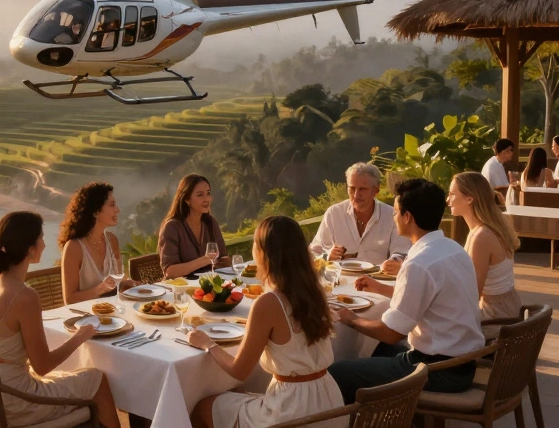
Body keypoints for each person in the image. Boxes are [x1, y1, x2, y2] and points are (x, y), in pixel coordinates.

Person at [328, 178, 485, 403]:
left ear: (407, 217)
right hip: (463, 363)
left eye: (395, 212)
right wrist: (378, 287)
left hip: (438, 370)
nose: (393, 217)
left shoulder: (419, 262)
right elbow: (428, 298)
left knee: (336, 372)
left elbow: (392, 333)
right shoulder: (453, 248)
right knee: (373, 350)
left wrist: (350, 319)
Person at [189, 216, 346, 428]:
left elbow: (239, 371)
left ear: (264, 253)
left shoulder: (269, 302)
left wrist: (207, 343)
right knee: (237, 396)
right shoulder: (314, 290)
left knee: (203, 407)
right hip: (329, 402)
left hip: (292, 412)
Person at [0, 211, 120, 428]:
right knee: (96, 379)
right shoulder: (24, 296)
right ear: (30, 249)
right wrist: (80, 336)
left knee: (77, 377)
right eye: (41, 238)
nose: (44, 243)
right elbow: (42, 366)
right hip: (14, 401)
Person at [308, 163, 411, 274]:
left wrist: (394, 261)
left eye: (362, 189)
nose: (356, 195)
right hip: (339, 282)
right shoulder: (334, 214)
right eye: (352, 188)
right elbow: (313, 252)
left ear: (376, 190)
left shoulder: (391, 215)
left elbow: (401, 252)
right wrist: (327, 255)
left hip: (377, 282)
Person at [446, 171, 522, 320]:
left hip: (495, 315)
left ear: (469, 199)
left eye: (452, 194)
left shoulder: (481, 237)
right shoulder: (489, 227)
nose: (447, 199)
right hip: (506, 307)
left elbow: (472, 293)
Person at [59, 183, 137, 304]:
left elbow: (113, 286)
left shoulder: (112, 240)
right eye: (112, 205)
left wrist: (125, 284)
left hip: (112, 313)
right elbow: (69, 300)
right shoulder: (74, 248)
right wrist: (100, 289)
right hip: (85, 317)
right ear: (95, 212)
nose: (117, 210)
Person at [159, 174, 230, 278]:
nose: (207, 199)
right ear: (187, 199)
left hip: (209, 286)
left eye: (208, 193)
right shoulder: (172, 227)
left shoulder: (210, 223)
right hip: (181, 289)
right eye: (200, 195)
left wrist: (230, 260)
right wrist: (205, 259)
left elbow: (222, 259)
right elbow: (170, 271)